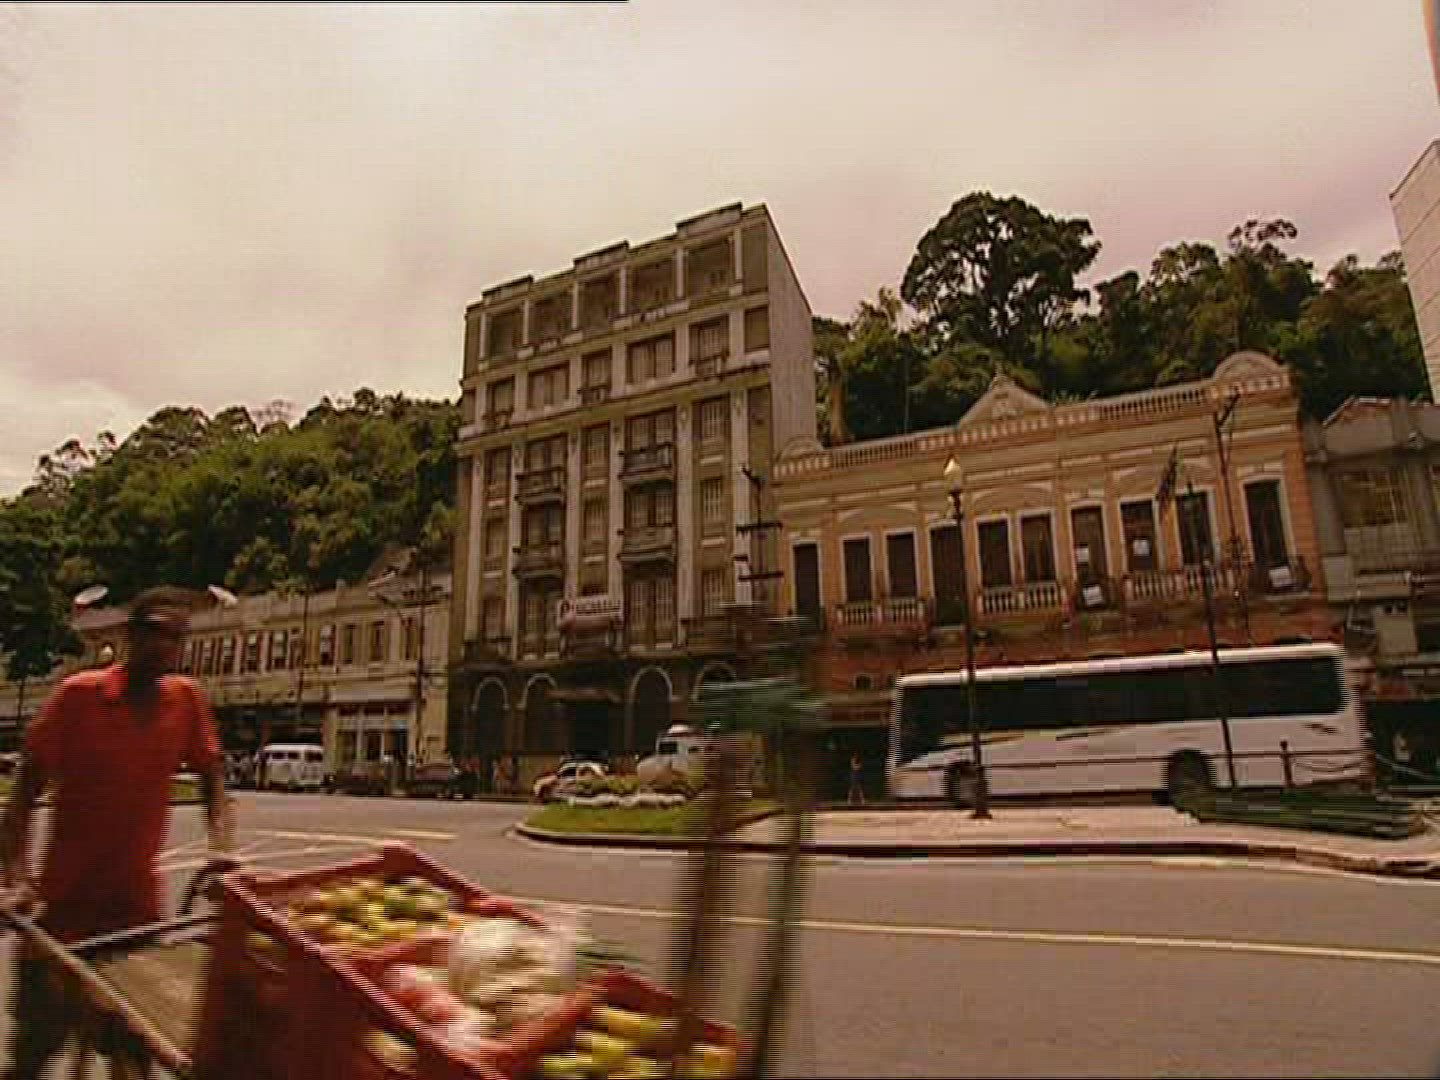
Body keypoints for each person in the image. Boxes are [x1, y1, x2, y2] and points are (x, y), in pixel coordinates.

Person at [0, 586, 236, 1079]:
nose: (164, 647)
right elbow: (21, 795)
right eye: (155, 634)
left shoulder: (185, 701)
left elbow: (214, 779)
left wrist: (222, 852)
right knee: (32, 1053)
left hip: (134, 914)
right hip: (60, 912)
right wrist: (17, 880)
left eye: (175, 638)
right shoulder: (78, 697)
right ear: (131, 637)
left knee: (135, 1054)